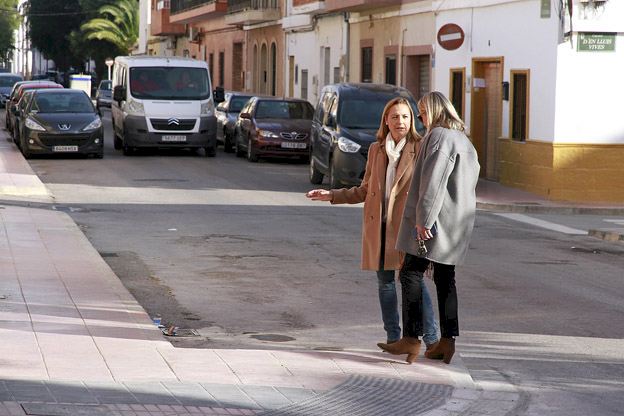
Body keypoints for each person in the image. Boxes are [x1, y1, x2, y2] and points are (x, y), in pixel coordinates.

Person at [306, 97, 439, 357]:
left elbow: (429, 191)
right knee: (386, 284)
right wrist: (331, 195)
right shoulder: (377, 150)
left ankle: (432, 339)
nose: (400, 121)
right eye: (395, 117)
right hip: (379, 228)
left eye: (405, 116)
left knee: (415, 284)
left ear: (412, 121)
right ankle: (393, 338)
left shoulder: (420, 147)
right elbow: (365, 190)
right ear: (386, 121)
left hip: (407, 229)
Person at [377, 91, 480, 365]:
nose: (420, 117)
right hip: (456, 223)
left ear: (434, 110)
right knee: (446, 279)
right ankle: (447, 341)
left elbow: (434, 181)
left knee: (410, 273)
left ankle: (411, 338)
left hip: (435, 222)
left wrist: (424, 219)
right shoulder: (464, 140)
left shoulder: (439, 137)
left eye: (422, 111)